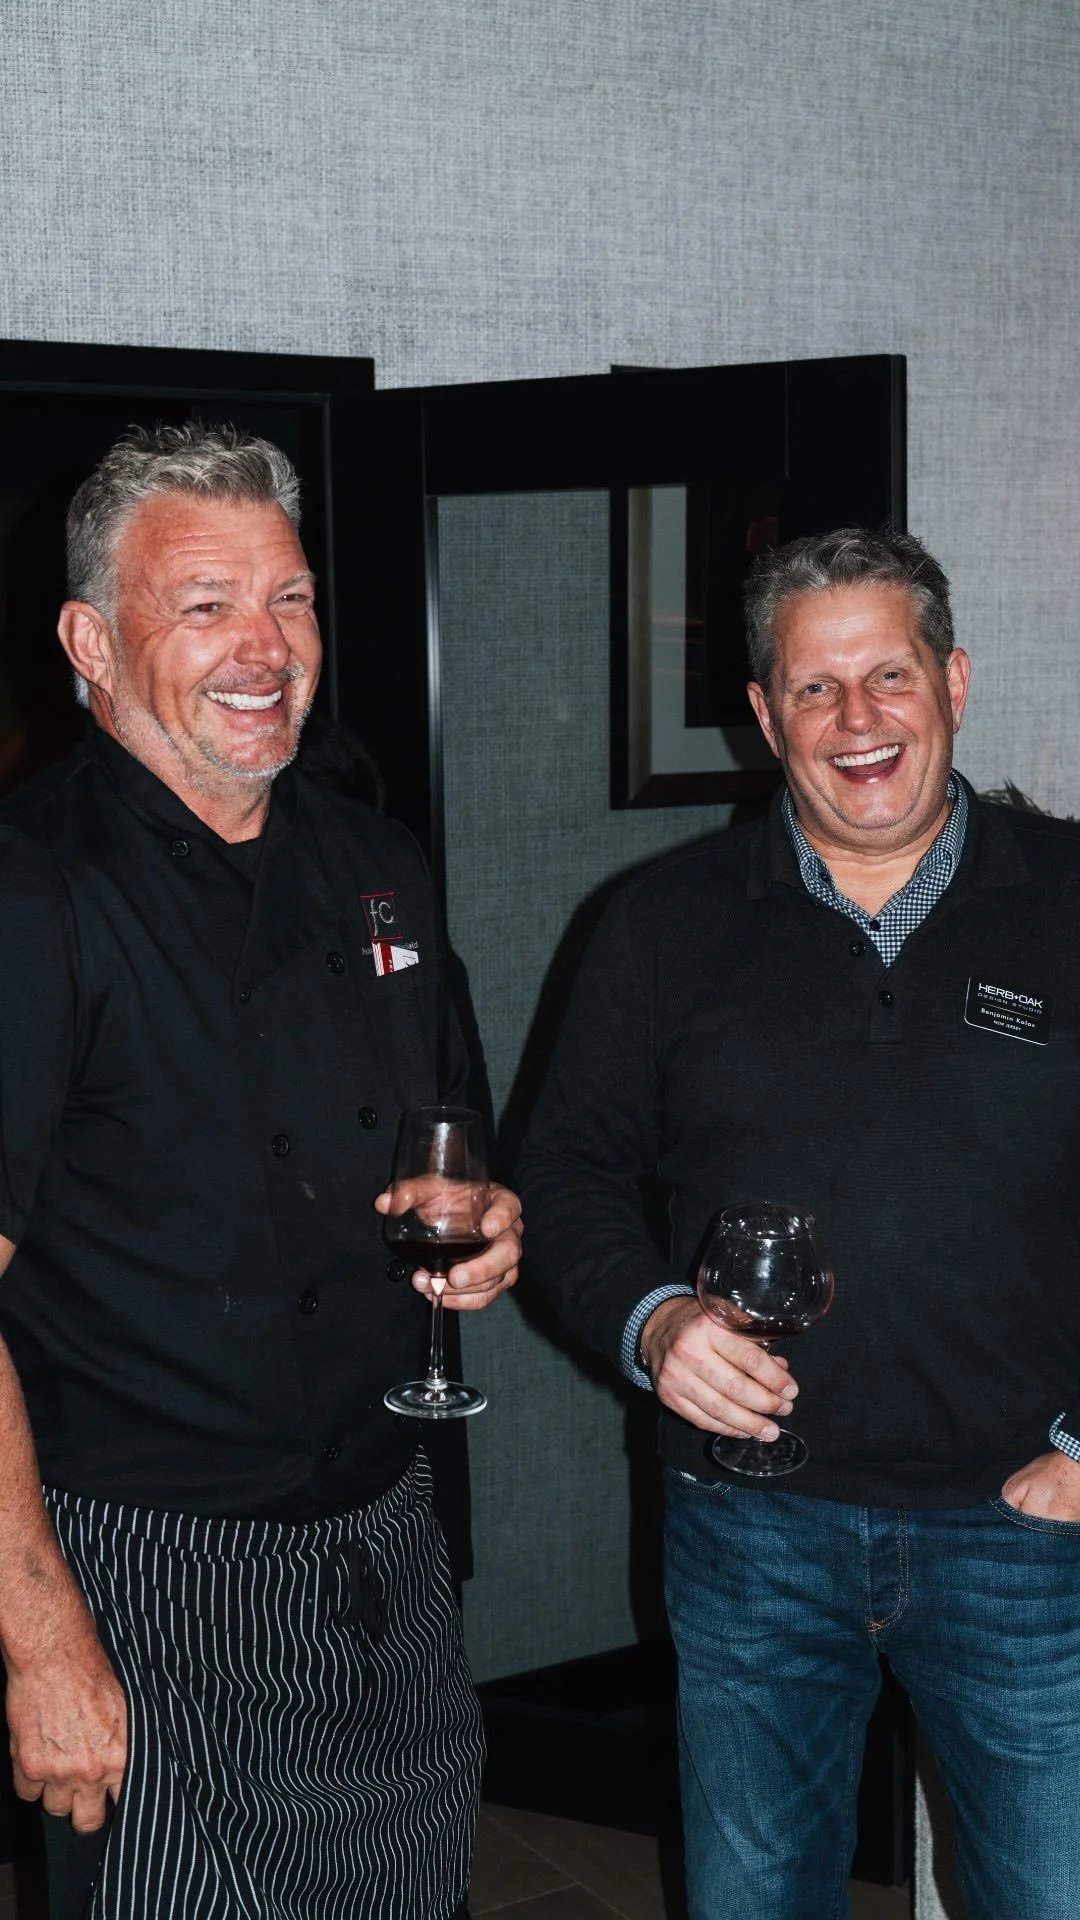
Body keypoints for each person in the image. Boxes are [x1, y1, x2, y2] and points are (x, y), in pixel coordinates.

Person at [516, 526, 1080, 1920]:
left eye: (888, 676)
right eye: (814, 689)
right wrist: (654, 1323)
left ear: (954, 682)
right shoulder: (657, 925)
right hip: (751, 1530)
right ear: (766, 718)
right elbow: (566, 1175)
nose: (856, 720)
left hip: (1030, 1534)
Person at [0, 422, 522, 1920]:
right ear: (92, 643)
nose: (265, 647)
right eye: (206, 604)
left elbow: (453, 1142)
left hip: (384, 1529)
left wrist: (491, 1220)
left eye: (288, 597)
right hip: (145, 1565)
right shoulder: (31, 892)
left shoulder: (377, 861)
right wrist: (40, 1638)